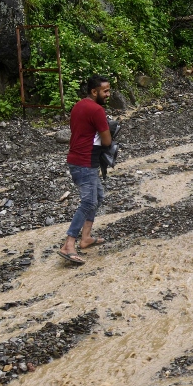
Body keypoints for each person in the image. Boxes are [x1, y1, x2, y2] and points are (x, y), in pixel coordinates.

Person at [59, 74, 112, 265]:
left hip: (77, 159)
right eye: (105, 91)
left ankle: (86, 237)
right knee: (89, 202)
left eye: (109, 90)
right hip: (85, 162)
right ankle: (69, 244)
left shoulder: (79, 105)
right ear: (94, 92)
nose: (108, 94)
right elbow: (106, 140)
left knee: (98, 196)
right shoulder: (97, 110)